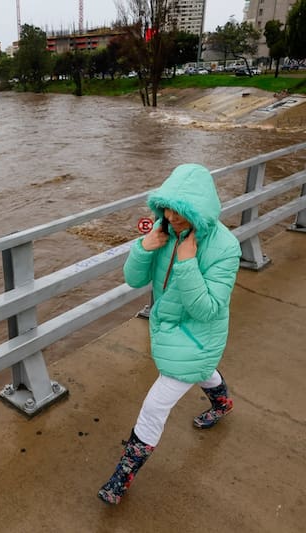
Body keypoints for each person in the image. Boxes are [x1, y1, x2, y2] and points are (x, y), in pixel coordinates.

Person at [98, 163, 242, 505]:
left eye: (182, 213)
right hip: (169, 326)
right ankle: (222, 403)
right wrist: (144, 247)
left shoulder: (226, 248)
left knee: (154, 406)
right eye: (168, 209)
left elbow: (207, 309)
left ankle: (121, 479)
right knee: (202, 371)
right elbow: (134, 279)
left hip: (198, 334)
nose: (173, 218)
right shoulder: (163, 230)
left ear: (200, 211)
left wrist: (187, 262)